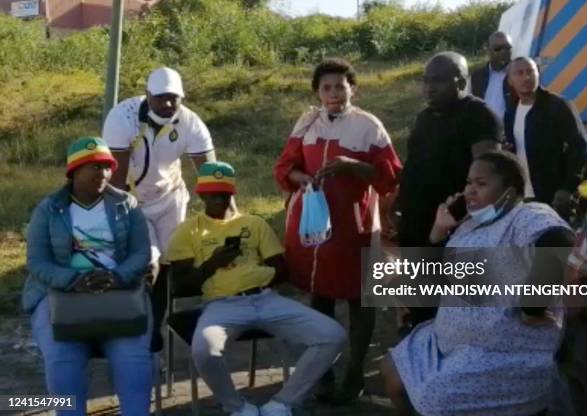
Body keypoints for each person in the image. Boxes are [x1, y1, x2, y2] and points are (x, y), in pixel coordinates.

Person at [381, 150, 575, 416]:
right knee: (391, 370)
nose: (470, 191)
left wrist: (533, 308)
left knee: (434, 400)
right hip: (449, 345)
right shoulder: (468, 225)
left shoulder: (526, 215)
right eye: (468, 183)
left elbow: (558, 240)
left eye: (481, 184)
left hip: (501, 354)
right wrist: (439, 232)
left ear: (510, 189)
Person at [166, 161, 347, 416]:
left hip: (265, 299)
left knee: (333, 335)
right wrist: (213, 263)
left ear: (233, 193)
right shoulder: (189, 230)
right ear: (201, 194)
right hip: (221, 304)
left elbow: (282, 269)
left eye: (224, 192)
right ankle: (237, 408)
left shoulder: (254, 224)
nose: (219, 198)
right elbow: (181, 284)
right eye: (213, 193)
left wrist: (256, 276)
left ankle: (284, 403)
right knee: (204, 350)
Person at [273, 58, 402, 402]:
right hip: (315, 226)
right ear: (317, 91)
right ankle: (323, 371)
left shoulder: (369, 126)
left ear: (352, 89)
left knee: (361, 298)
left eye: (340, 86)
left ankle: (355, 371)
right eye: (326, 87)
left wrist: (353, 166)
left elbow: (390, 177)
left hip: (354, 226)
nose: (333, 93)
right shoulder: (307, 122)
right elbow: (285, 167)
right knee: (320, 295)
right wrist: (302, 178)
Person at [23, 137, 152, 416]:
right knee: (62, 361)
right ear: (74, 172)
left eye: (107, 167)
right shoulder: (48, 209)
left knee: (134, 362)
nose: (103, 173)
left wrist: (117, 277)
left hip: (119, 294)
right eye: (94, 167)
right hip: (61, 296)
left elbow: (141, 253)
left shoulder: (127, 205)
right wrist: (72, 280)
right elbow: (37, 262)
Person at [102, 67, 216, 351]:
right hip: (132, 200)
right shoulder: (122, 118)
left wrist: (228, 219)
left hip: (170, 197)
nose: (167, 105)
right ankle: (138, 326)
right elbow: (116, 179)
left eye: (173, 99)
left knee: (170, 260)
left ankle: (155, 326)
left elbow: (212, 175)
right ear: (148, 95)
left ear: (182, 98)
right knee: (147, 262)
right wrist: (120, 219)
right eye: (160, 98)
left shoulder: (190, 122)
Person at [397, 51, 502, 325]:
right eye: (426, 80)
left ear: (461, 81)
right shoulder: (425, 117)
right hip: (416, 228)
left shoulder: (479, 115)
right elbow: (415, 164)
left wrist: (460, 219)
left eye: (439, 80)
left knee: (454, 310)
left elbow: (486, 177)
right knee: (422, 308)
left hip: (453, 230)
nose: (429, 87)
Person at [505, 57, 587, 219]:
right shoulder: (511, 111)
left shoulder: (557, 105)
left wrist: (567, 188)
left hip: (554, 197)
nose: (526, 77)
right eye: (519, 73)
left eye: (530, 72)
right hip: (523, 196)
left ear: (538, 74)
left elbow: (579, 147)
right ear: (510, 80)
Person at [469, 31, 515, 120]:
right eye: (498, 48)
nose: (503, 51)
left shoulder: (520, 75)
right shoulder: (476, 77)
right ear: (488, 50)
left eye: (507, 48)